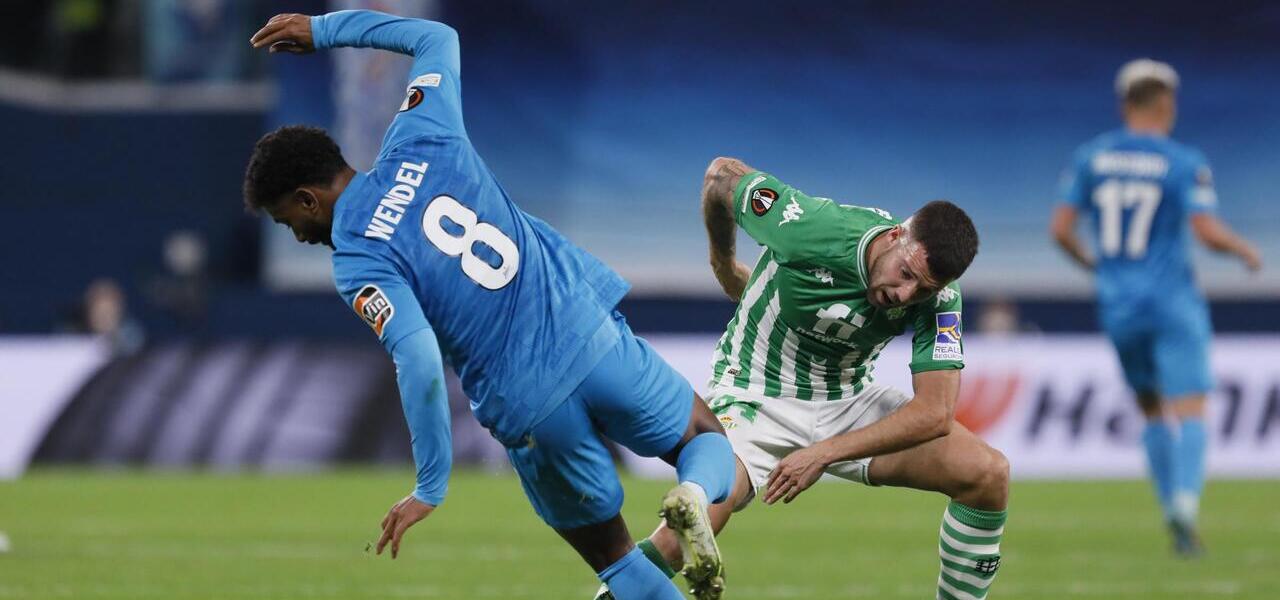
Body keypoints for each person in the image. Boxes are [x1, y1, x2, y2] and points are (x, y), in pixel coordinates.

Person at [243, 11, 736, 599]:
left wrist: (430, 484)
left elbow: (418, 359)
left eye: (288, 221)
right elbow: (434, 37)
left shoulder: (358, 261)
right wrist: (324, 31)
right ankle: (694, 494)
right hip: (588, 335)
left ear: (308, 199)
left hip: (528, 406)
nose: (297, 235)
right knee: (703, 437)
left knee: (616, 560)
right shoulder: (422, 134)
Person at [598, 158, 1008, 600]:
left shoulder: (940, 297)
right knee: (709, 509)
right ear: (894, 236)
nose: (905, 295)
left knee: (987, 475)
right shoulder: (811, 226)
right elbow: (719, 178)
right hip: (756, 390)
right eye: (905, 274)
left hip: (847, 400)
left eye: (922, 289)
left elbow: (935, 413)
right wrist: (723, 261)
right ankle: (694, 503)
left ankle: (698, 494)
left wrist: (823, 453)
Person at [1050, 59, 1261, 557]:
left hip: (1118, 305)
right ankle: (1185, 502)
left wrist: (1096, 267)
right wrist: (1243, 250)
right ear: (1167, 103)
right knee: (1190, 407)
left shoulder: (1092, 157)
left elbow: (1060, 230)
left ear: (1125, 104)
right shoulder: (1183, 161)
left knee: (1150, 407)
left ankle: (1168, 504)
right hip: (1172, 302)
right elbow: (1206, 232)